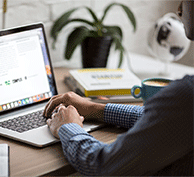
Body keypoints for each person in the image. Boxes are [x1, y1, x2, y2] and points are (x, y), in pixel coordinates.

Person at [43, 1, 194, 176]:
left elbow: (102, 165)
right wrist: (94, 108)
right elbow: (167, 120)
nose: (179, 9)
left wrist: (67, 126)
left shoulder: (187, 95)